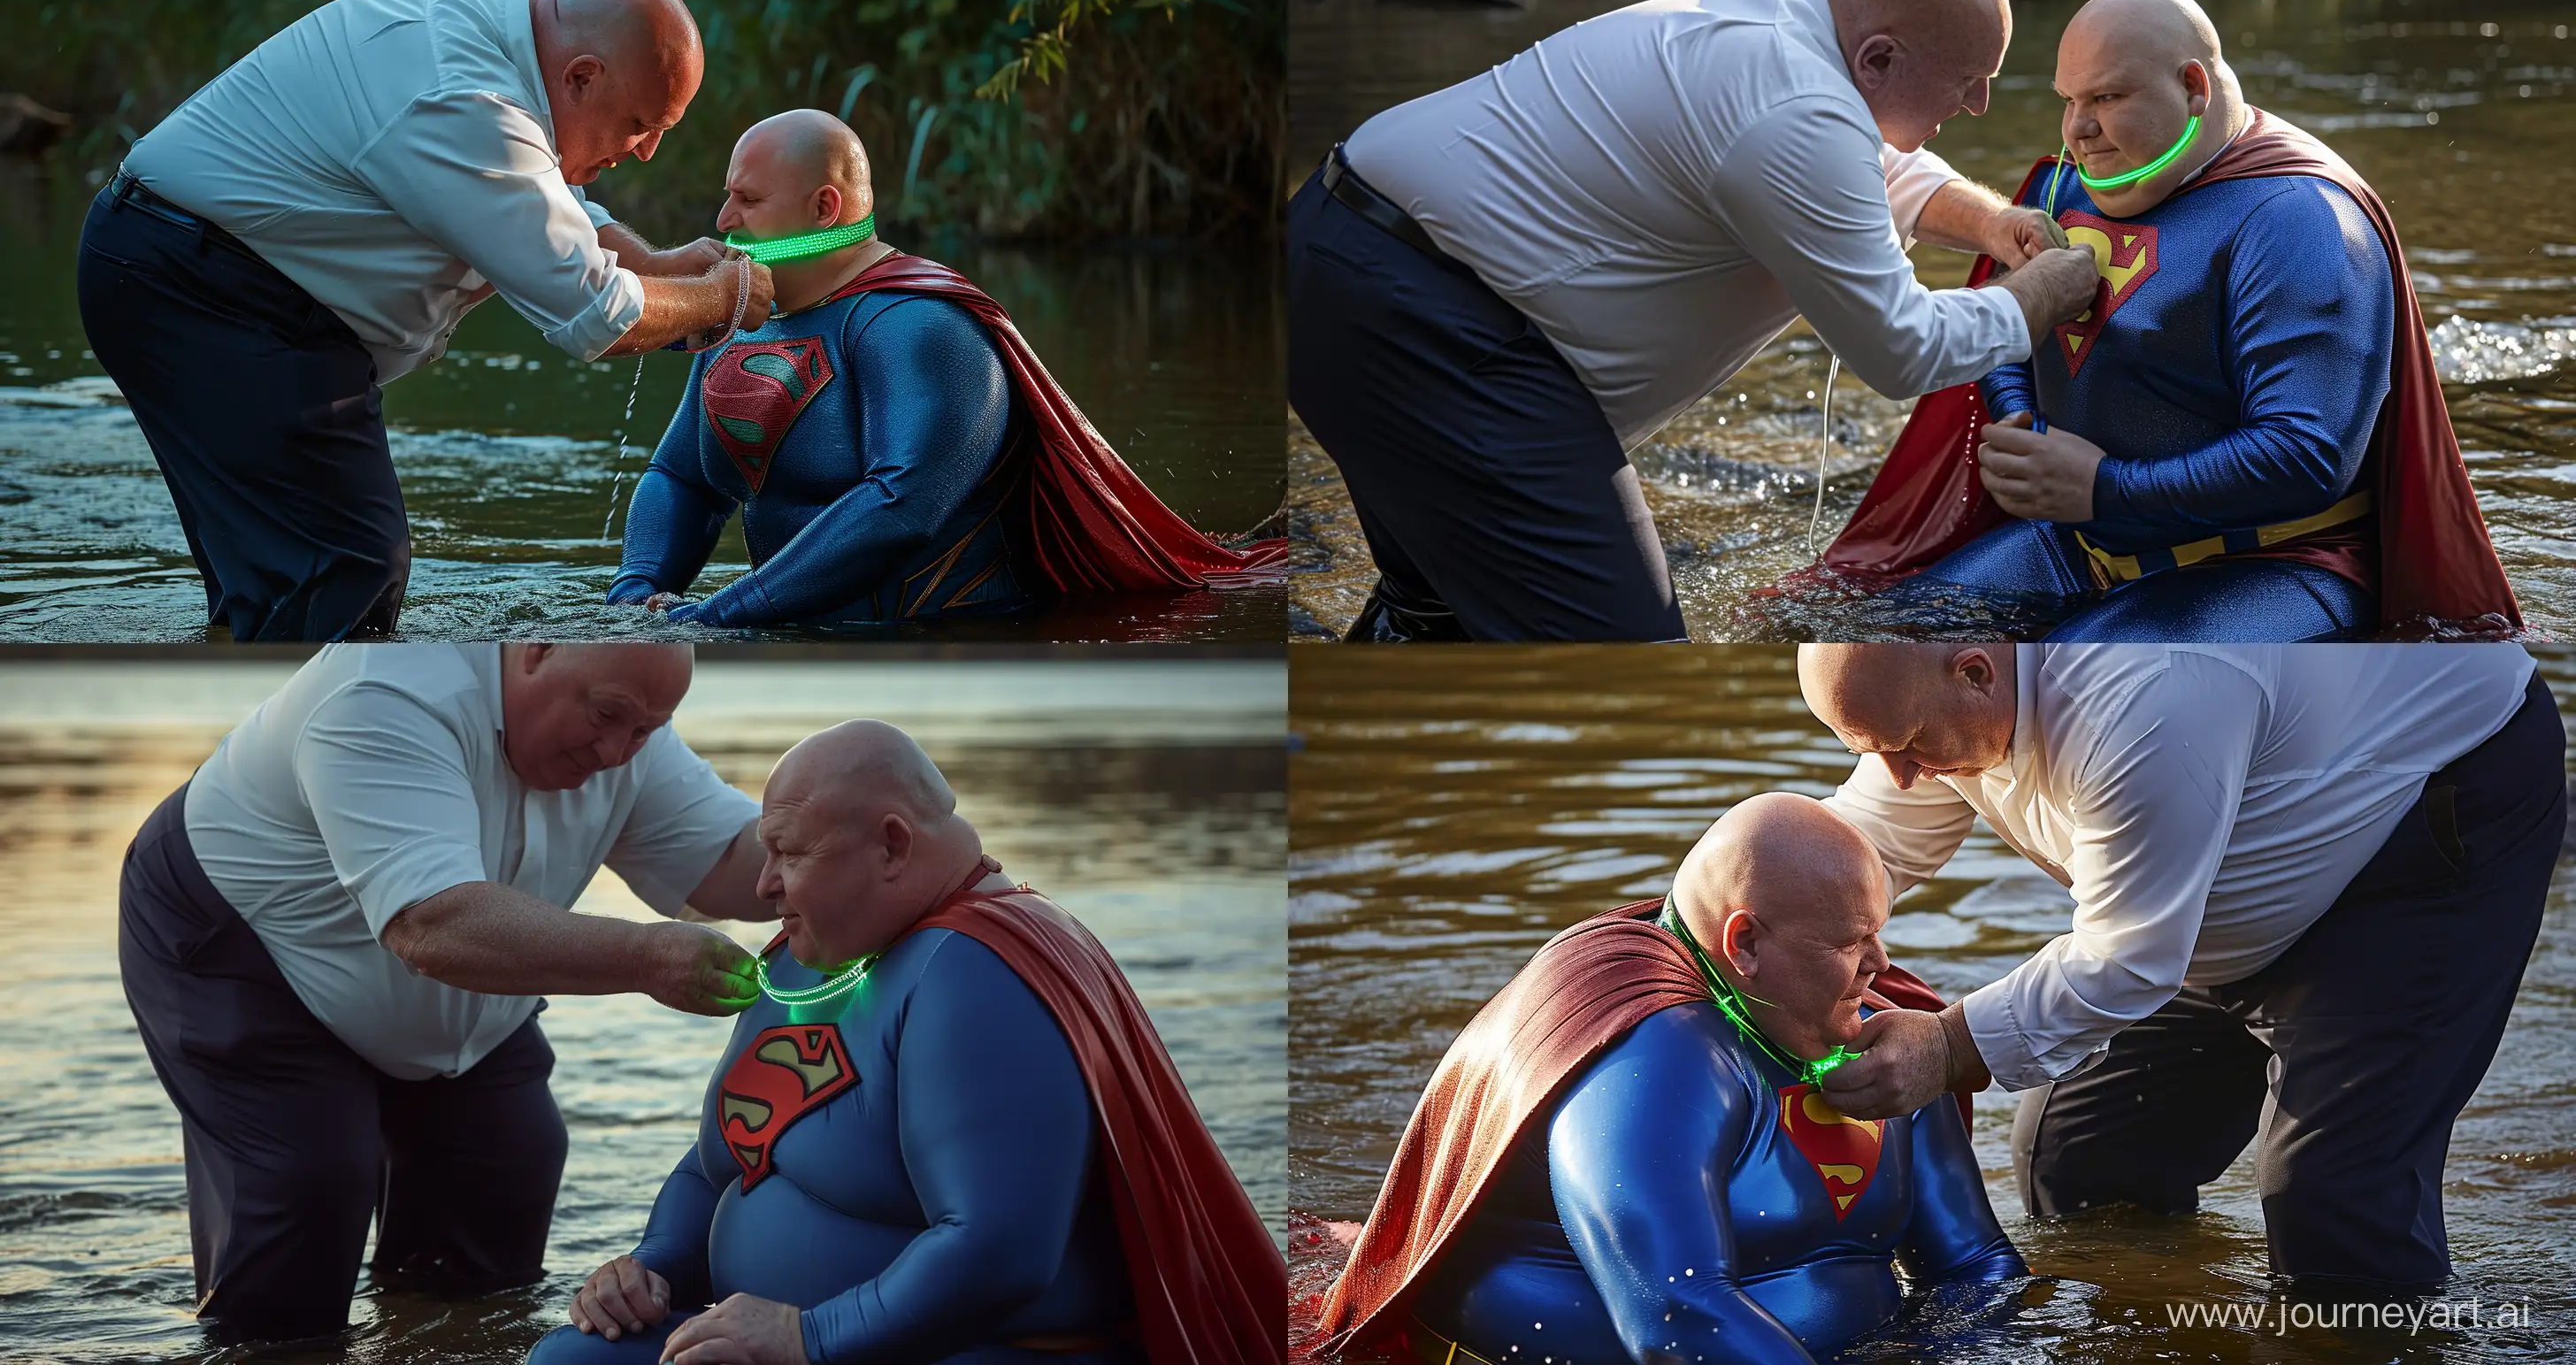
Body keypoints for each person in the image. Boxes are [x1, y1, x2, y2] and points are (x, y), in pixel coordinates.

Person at [1285, 0, 2102, 641]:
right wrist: (2040, 296)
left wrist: (1993, 224)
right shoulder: (1794, 108)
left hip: (1339, 253)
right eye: (1967, 79)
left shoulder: (1796, 6)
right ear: (1878, 56)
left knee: (1437, 612)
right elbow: (1901, 349)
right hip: (1426, 325)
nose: (1981, 105)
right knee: (1624, 650)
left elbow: (1867, 158)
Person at [1797, 643, 2563, 1289]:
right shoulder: (1938, 702)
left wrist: (1943, 1047)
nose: (1897, 774)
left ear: (1975, 672)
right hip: (2204, 870)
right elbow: (1866, 845)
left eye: (1906, 745)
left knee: (2334, 1209)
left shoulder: (2146, 697)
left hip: (2423, 824)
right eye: (1870, 750)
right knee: (2077, 1164)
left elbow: (2127, 956)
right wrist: (1707, 925)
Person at [530, 720, 1284, 1365]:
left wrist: (808, 1338)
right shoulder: (813, 955)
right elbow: (715, 1165)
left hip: (975, 1350)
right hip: (791, 1340)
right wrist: (652, 1268)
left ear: (892, 846)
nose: (763, 887)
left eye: (790, 855)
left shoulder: (975, 972)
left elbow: (998, 1252)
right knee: (569, 1354)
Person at [80, 0, 778, 641]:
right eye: (638, 124)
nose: (648, 152)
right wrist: (721, 294)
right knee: (349, 567)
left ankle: (244, 701)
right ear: (582, 76)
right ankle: (315, 745)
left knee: (281, 583)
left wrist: (651, 266)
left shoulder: (490, 40)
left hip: (188, 269)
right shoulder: (463, 95)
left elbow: (528, 193)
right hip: (202, 288)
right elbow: (594, 313)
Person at [117, 643, 774, 1343]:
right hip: (251, 940)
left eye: (645, 731)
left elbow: (732, 859)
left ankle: (434, 1339)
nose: (619, 753)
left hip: (450, 965)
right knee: (311, 1185)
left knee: (509, 1163)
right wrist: (647, 957)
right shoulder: (382, 690)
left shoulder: (628, 726)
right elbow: (434, 925)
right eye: (609, 717)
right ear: (534, 650)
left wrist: (844, 854)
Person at [1817, 0, 2519, 639]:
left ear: (2193, 87)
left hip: (2272, 567)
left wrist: (2106, 488)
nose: (2079, 130)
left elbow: (2308, 453)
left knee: (2080, 677)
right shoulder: (2072, 183)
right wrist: (2020, 425)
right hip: (2082, 541)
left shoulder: (2303, 221)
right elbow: (2010, 329)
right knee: (1879, 638)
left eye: (2107, 96)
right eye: (2069, 100)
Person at [1317, 794, 2023, 1365]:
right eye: (1848, 942)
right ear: (1743, 944)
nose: (1879, 963)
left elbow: (1973, 1262)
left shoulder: (1887, 1038)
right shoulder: (1655, 1057)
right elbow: (1676, 1317)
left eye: (1879, 932)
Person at [610, 110, 1291, 628]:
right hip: (792, 637)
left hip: (948, 641)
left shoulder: (921, 326)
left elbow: (901, 507)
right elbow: (684, 478)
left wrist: (715, 618)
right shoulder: (736, 313)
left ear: (825, 208)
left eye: (749, 201)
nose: (725, 218)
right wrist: (637, 594)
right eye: (728, 196)